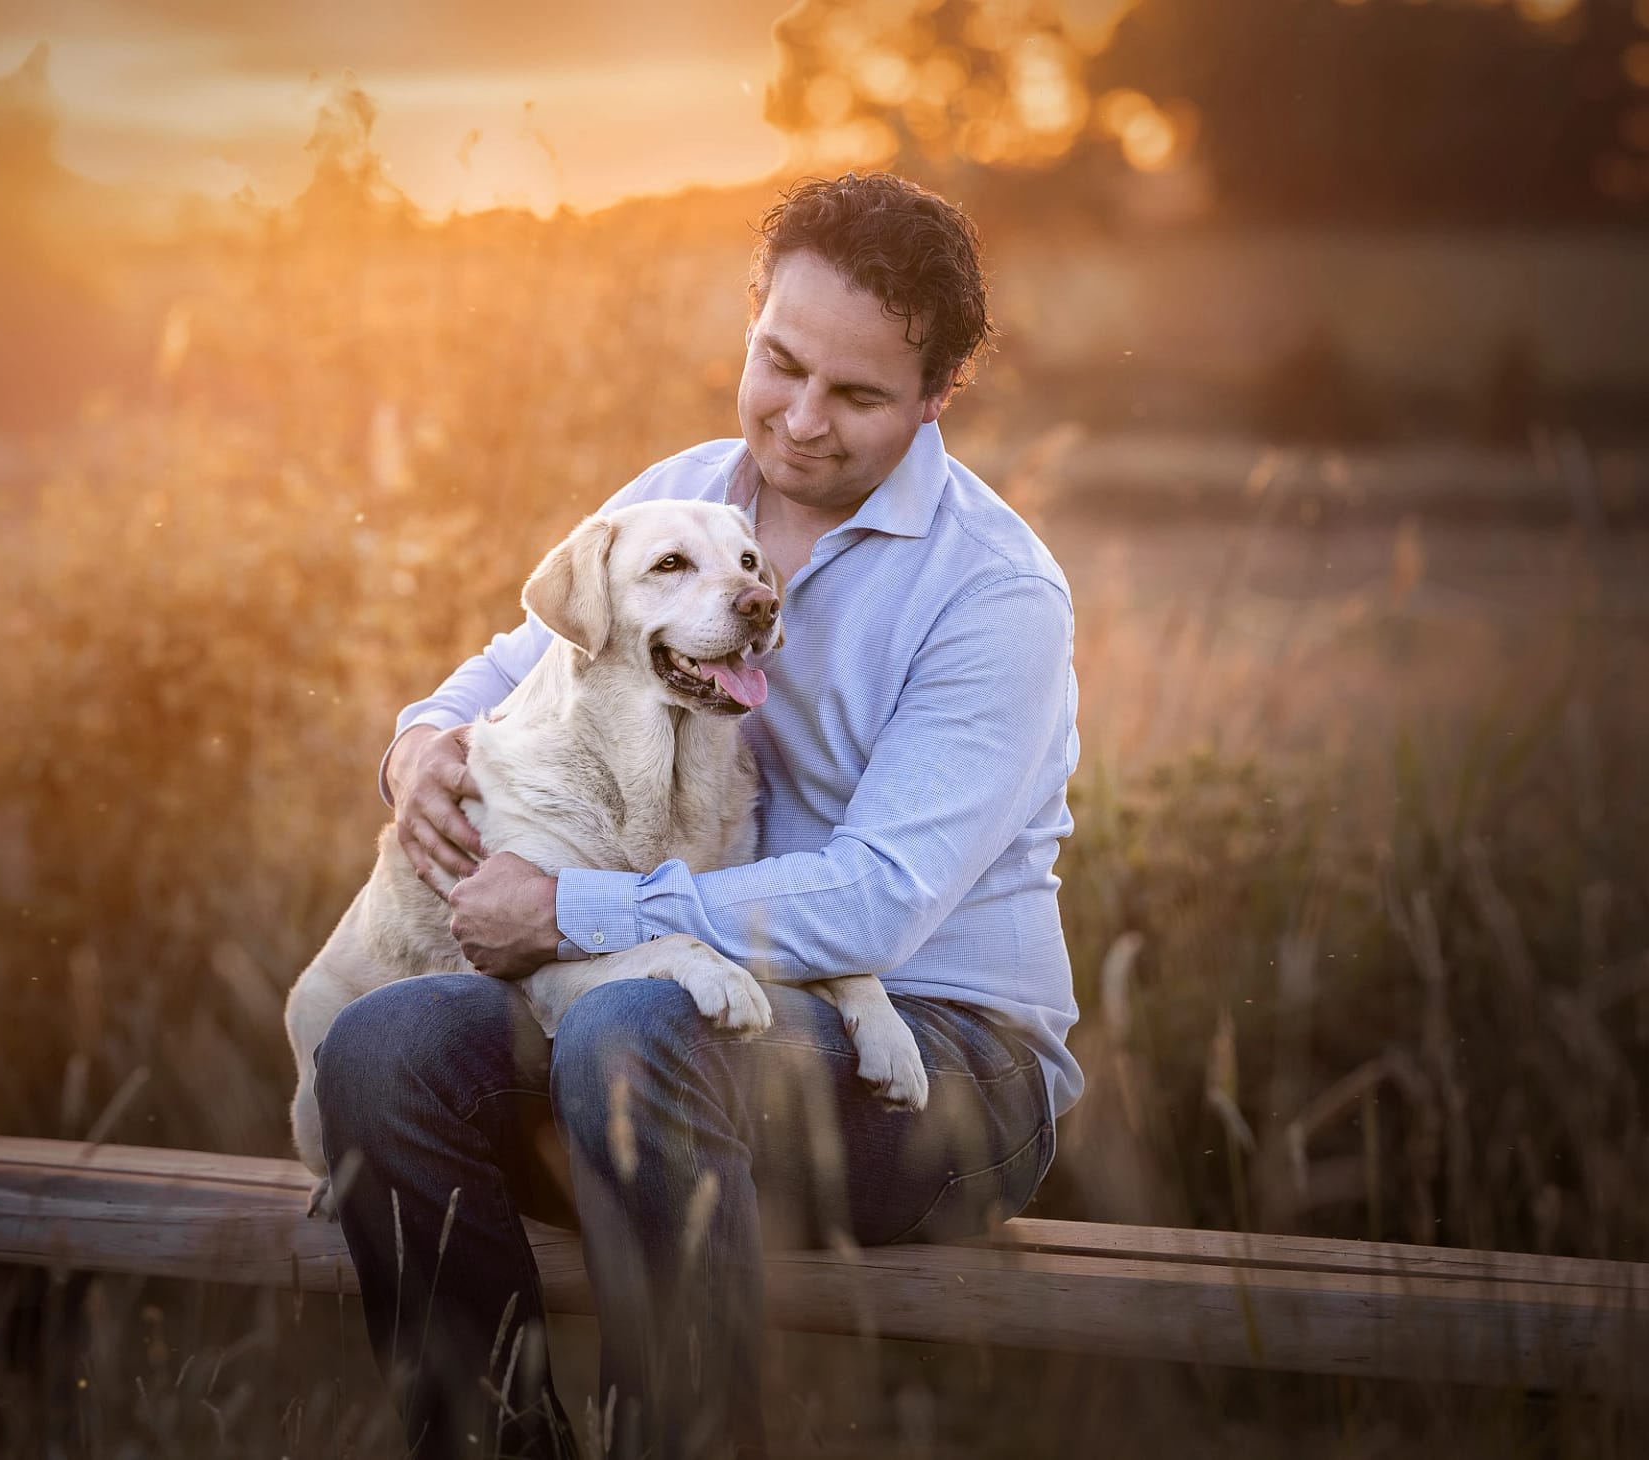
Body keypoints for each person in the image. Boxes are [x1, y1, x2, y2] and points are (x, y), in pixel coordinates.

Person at [312, 172, 1082, 1460]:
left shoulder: (994, 595)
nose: (800, 421)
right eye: (778, 363)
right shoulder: (684, 491)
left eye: (858, 395)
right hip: (668, 1018)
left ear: (939, 397)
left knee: (629, 1023)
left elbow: (878, 902)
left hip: (942, 1068)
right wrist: (418, 751)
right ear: (750, 323)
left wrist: (570, 909)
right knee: (385, 1044)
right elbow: (504, 674)